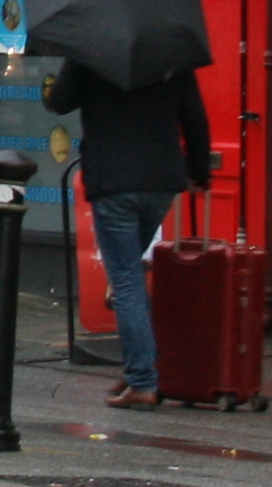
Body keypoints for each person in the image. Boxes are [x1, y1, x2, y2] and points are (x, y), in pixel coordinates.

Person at [41, 55, 214, 408]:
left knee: (125, 282)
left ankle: (142, 380)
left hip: (115, 182)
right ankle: (144, 361)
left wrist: (61, 74)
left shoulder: (91, 52)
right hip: (161, 182)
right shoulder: (170, 54)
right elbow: (194, 117)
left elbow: (60, 102)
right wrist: (199, 171)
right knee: (130, 277)